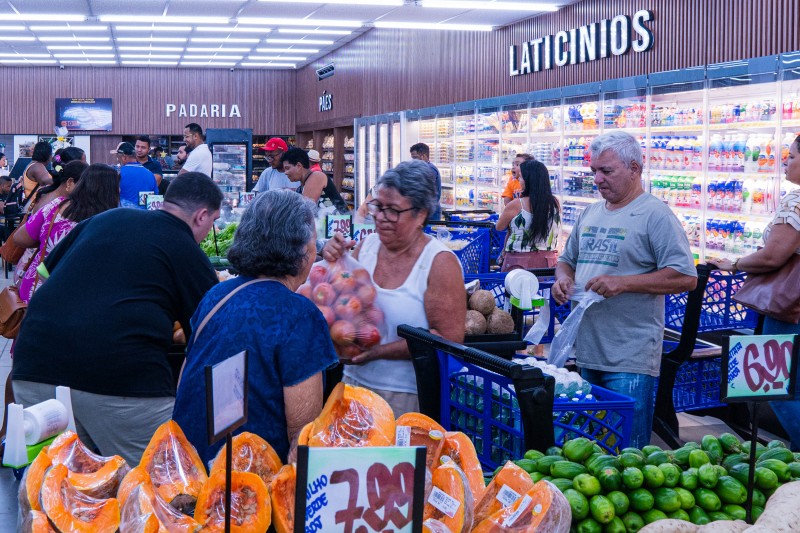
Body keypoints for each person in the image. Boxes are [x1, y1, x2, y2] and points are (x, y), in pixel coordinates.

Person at [12, 173, 222, 465]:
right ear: (202, 216)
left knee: (56, 485)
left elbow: (45, 276)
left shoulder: (103, 221)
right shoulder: (184, 246)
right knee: (156, 486)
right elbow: (211, 329)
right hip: (121, 383)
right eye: (212, 222)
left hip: (34, 367)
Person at [551, 131, 697, 448]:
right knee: (587, 449)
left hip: (630, 357)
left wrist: (623, 283)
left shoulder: (655, 215)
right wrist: (562, 279)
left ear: (634, 169)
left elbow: (686, 276)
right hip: (587, 352)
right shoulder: (590, 213)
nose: (598, 180)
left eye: (607, 171)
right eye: (594, 172)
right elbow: (566, 260)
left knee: (626, 451)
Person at [173, 190, 337, 464]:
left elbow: (185, 380)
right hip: (253, 475)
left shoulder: (217, 294)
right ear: (302, 249)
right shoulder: (299, 314)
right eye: (313, 239)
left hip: (190, 465)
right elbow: (303, 435)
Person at [322, 160, 466, 416]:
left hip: (405, 399)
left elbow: (449, 339)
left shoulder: (439, 263)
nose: (380, 217)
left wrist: (380, 352)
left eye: (393, 211)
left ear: (420, 214)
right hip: (351, 388)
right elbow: (342, 306)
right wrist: (333, 260)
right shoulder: (366, 247)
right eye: (378, 206)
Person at [709, 134, 800, 449]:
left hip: (789, 310)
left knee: (776, 388)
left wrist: (733, 263)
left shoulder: (797, 200)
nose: (785, 161)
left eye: (791, 155)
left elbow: (774, 256)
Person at [13, 162, 119, 303]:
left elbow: (20, 238)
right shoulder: (111, 221)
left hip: (38, 289)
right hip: (80, 299)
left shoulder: (56, 206)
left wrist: (47, 241)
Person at [496, 159, 561, 271]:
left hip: (518, 264)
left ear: (529, 180)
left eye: (521, 177)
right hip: (547, 264)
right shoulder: (554, 203)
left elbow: (499, 227)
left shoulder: (516, 204)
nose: (519, 180)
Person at [357, 144, 442, 220]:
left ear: (423, 156)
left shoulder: (430, 170)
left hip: (429, 214)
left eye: (415, 157)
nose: (413, 160)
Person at [113, 142, 158, 209]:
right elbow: (154, 205)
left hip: (124, 216)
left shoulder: (118, 174)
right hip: (145, 217)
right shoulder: (150, 174)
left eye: (118, 157)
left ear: (124, 157)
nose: (118, 160)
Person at [21, 141, 53, 207]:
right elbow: (44, 181)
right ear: (49, 155)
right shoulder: (37, 166)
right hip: (34, 206)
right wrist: (62, 179)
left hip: (33, 205)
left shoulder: (33, 164)